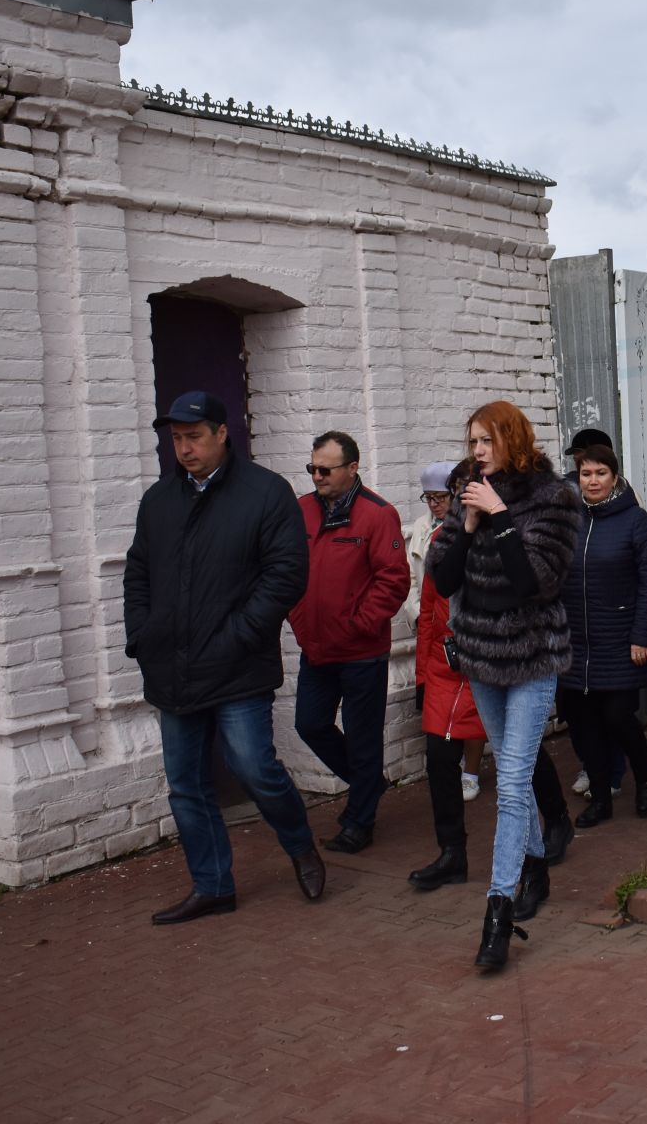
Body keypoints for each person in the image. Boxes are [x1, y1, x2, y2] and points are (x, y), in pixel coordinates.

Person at [124, 391, 324, 925]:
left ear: (221, 433)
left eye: (193, 437)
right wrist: (141, 636)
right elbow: (138, 572)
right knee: (186, 783)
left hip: (237, 664)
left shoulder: (265, 493)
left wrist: (238, 634)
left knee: (254, 767)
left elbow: (285, 575)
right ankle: (212, 885)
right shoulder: (159, 501)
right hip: (172, 666)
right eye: (176, 439)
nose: (184, 448)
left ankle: (300, 843)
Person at [428, 401, 581, 972]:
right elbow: (443, 578)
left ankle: (497, 914)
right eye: (471, 442)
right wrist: (467, 527)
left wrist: (502, 517)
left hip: (533, 658)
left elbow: (538, 584)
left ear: (512, 439)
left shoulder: (553, 498)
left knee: (512, 784)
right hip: (481, 657)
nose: (478, 452)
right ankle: (536, 865)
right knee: (511, 773)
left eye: (487, 441)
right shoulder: (467, 488)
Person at [288, 430, 411, 855]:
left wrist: (359, 623)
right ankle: (369, 784)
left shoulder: (378, 514)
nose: (317, 476)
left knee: (362, 739)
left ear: (352, 467)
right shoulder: (300, 510)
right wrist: (297, 615)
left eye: (326, 469)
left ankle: (360, 822)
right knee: (309, 723)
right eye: (312, 469)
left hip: (361, 651)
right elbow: (285, 567)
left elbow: (393, 580)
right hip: (316, 647)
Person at [560, 443, 647, 827]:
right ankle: (600, 798)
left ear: (614, 477)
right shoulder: (568, 520)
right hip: (574, 644)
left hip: (621, 641)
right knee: (585, 724)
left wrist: (642, 637)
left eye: (600, 473)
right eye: (585, 474)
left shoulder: (634, 519)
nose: (592, 480)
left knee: (618, 717)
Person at [408, 463, 486, 891]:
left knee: (524, 762)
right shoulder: (440, 542)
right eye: (454, 492)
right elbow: (427, 615)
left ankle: (554, 825)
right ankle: (452, 853)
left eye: (466, 491)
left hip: (485, 668)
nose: (458, 499)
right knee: (439, 762)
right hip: (443, 670)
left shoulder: (501, 539)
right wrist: (422, 676)